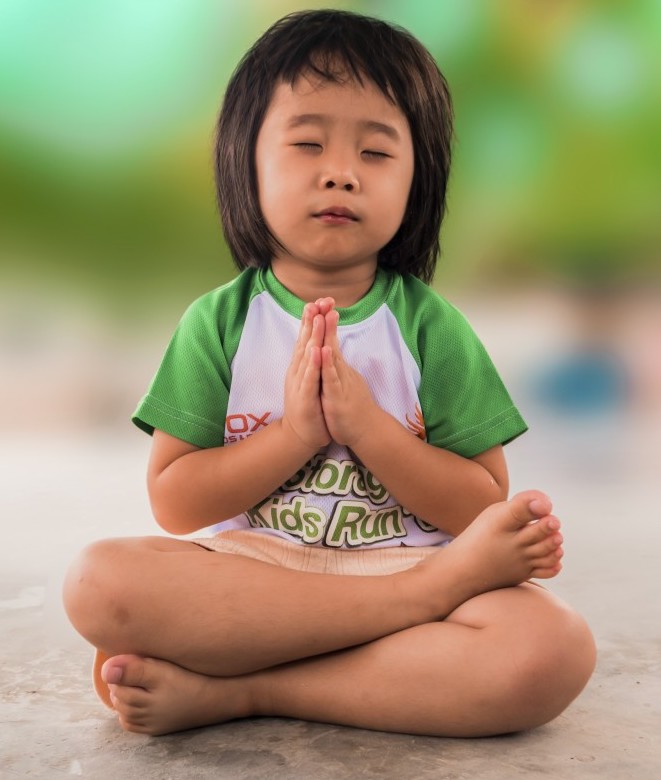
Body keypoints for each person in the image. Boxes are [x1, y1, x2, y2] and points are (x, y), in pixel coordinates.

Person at [63, 9, 595, 738]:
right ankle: (395, 619)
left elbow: (479, 507)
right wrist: (296, 435)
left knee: (551, 650)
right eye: (307, 143)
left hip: (406, 563)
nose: (340, 171)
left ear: (417, 181)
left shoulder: (431, 327)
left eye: (375, 153)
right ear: (246, 162)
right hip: (257, 576)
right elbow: (176, 503)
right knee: (98, 583)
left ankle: (243, 690)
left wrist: (369, 430)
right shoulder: (218, 322)